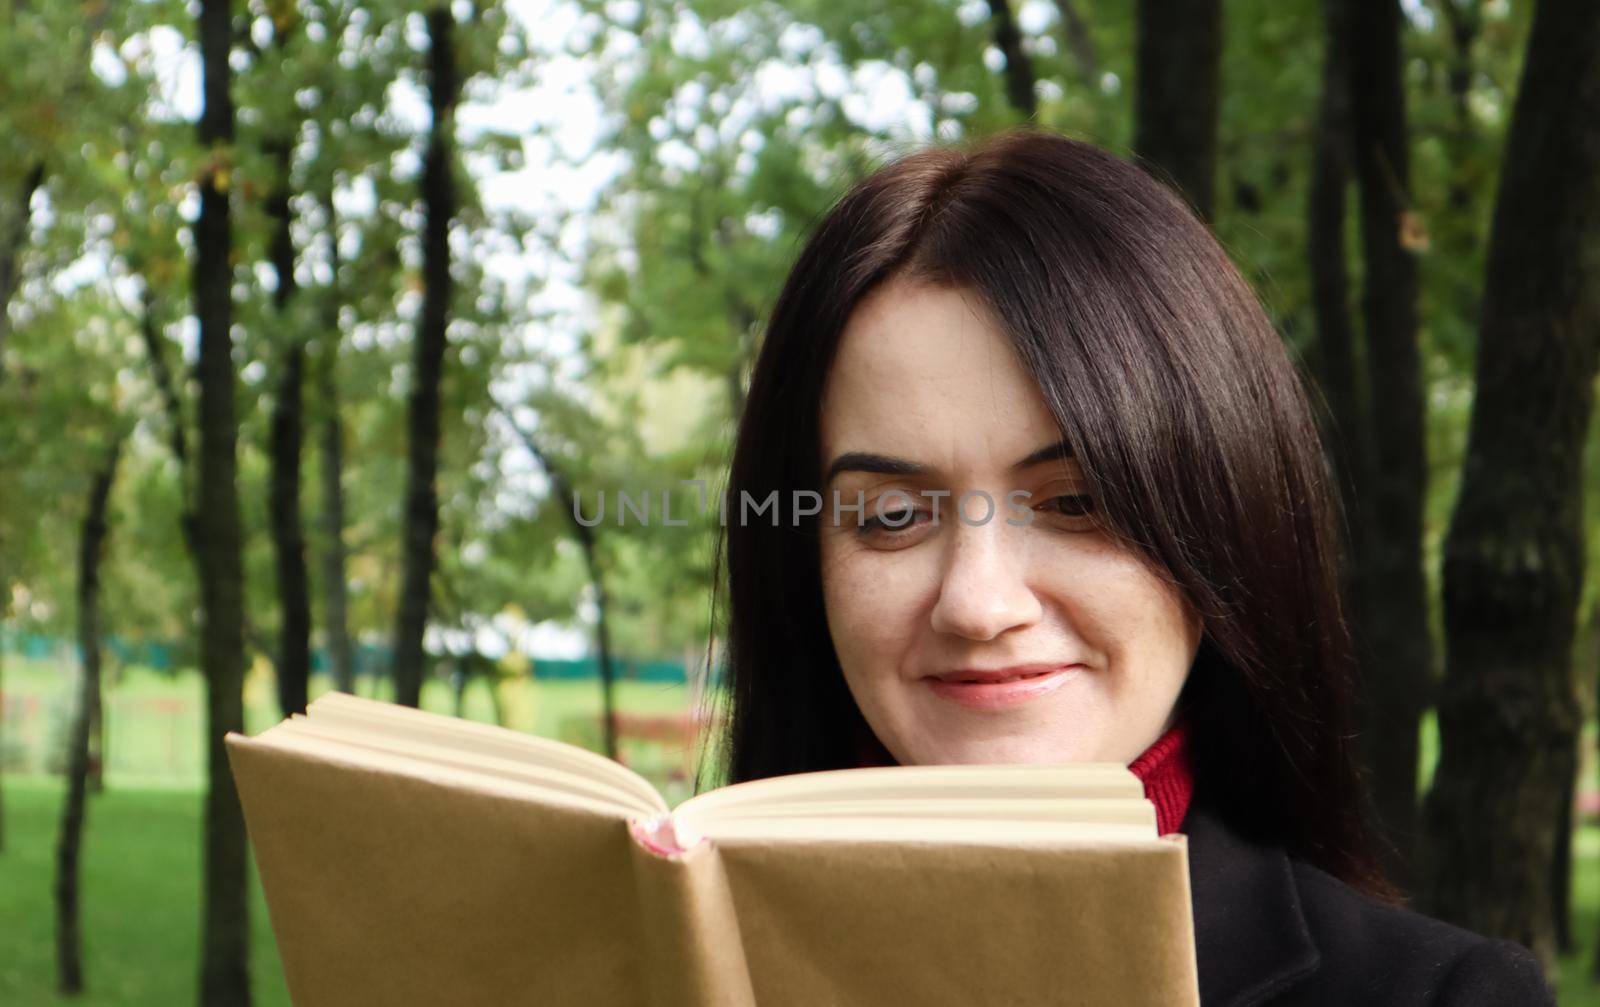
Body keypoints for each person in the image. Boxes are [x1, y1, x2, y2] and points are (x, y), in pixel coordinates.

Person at [706, 126, 1553, 1005]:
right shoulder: (672, 965)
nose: (979, 603)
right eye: (891, 516)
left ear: (1220, 523)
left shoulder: (1440, 996)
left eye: (1077, 503)